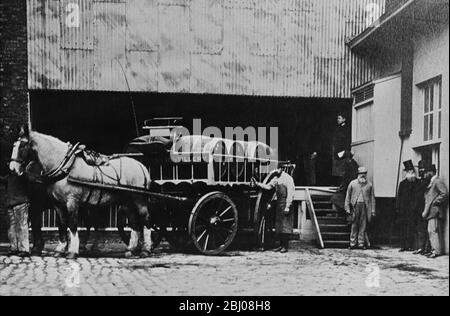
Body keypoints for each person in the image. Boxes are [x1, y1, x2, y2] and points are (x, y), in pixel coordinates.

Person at [252, 164, 295, 253]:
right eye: (274, 169)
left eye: (277, 169)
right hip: (279, 204)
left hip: (286, 203)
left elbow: (291, 193)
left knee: (285, 227)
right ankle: (280, 245)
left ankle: (285, 247)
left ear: (281, 169)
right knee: (279, 226)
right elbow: (268, 186)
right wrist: (258, 184)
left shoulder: (288, 178)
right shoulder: (276, 178)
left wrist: (287, 206)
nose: (275, 171)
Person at [4, 125, 31, 257]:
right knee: (13, 225)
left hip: (19, 198)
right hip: (12, 198)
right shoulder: (12, 171)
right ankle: (15, 247)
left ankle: (23, 249)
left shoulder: (22, 170)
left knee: (20, 224)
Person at [345, 166, 376, 250]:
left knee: (363, 225)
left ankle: (361, 243)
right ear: (358, 174)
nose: (363, 175)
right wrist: (347, 208)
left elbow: (372, 198)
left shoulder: (369, 184)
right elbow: (348, 196)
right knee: (354, 225)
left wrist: (373, 210)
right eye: (361, 174)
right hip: (354, 207)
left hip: (365, 207)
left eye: (364, 174)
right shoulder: (352, 183)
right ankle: (352, 243)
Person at [422, 164, 448, 259]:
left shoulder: (437, 181)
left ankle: (436, 251)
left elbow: (444, 193)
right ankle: (434, 250)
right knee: (432, 230)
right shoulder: (433, 181)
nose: (425, 174)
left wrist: (435, 202)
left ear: (431, 172)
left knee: (433, 230)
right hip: (432, 211)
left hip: (435, 211)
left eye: (426, 172)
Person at [395, 160, 422, 252]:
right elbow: (399, 197)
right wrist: (398, 208)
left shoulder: (418, 183)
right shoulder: (402, 184)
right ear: (406, 173)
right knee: (403, 228)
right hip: (404, 210)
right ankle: (403, 246)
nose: (410, 173)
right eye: (408, 171)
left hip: (414, 210)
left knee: (412, 228)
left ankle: (411, 246)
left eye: (412, 171)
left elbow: (420, 197)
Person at [413, 161, 431, 255]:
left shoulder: (427, 182)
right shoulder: (418, 181)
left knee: (425, 229)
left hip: (425, 208)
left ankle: (426, 248)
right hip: (418, 209)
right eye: (419, 169)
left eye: (422, 169)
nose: (421, 171)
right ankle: (420, 247)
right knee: (419, 229)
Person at [332, 113, 351, 178]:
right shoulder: (337, 129)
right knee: (337, 169)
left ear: (344, 119)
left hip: (343, 151)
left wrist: (344, 151)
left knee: (343, 169)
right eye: (337, 118)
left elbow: (347, 140)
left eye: (339, 118)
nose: (338, 120)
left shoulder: (347, 129)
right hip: (337, 151)